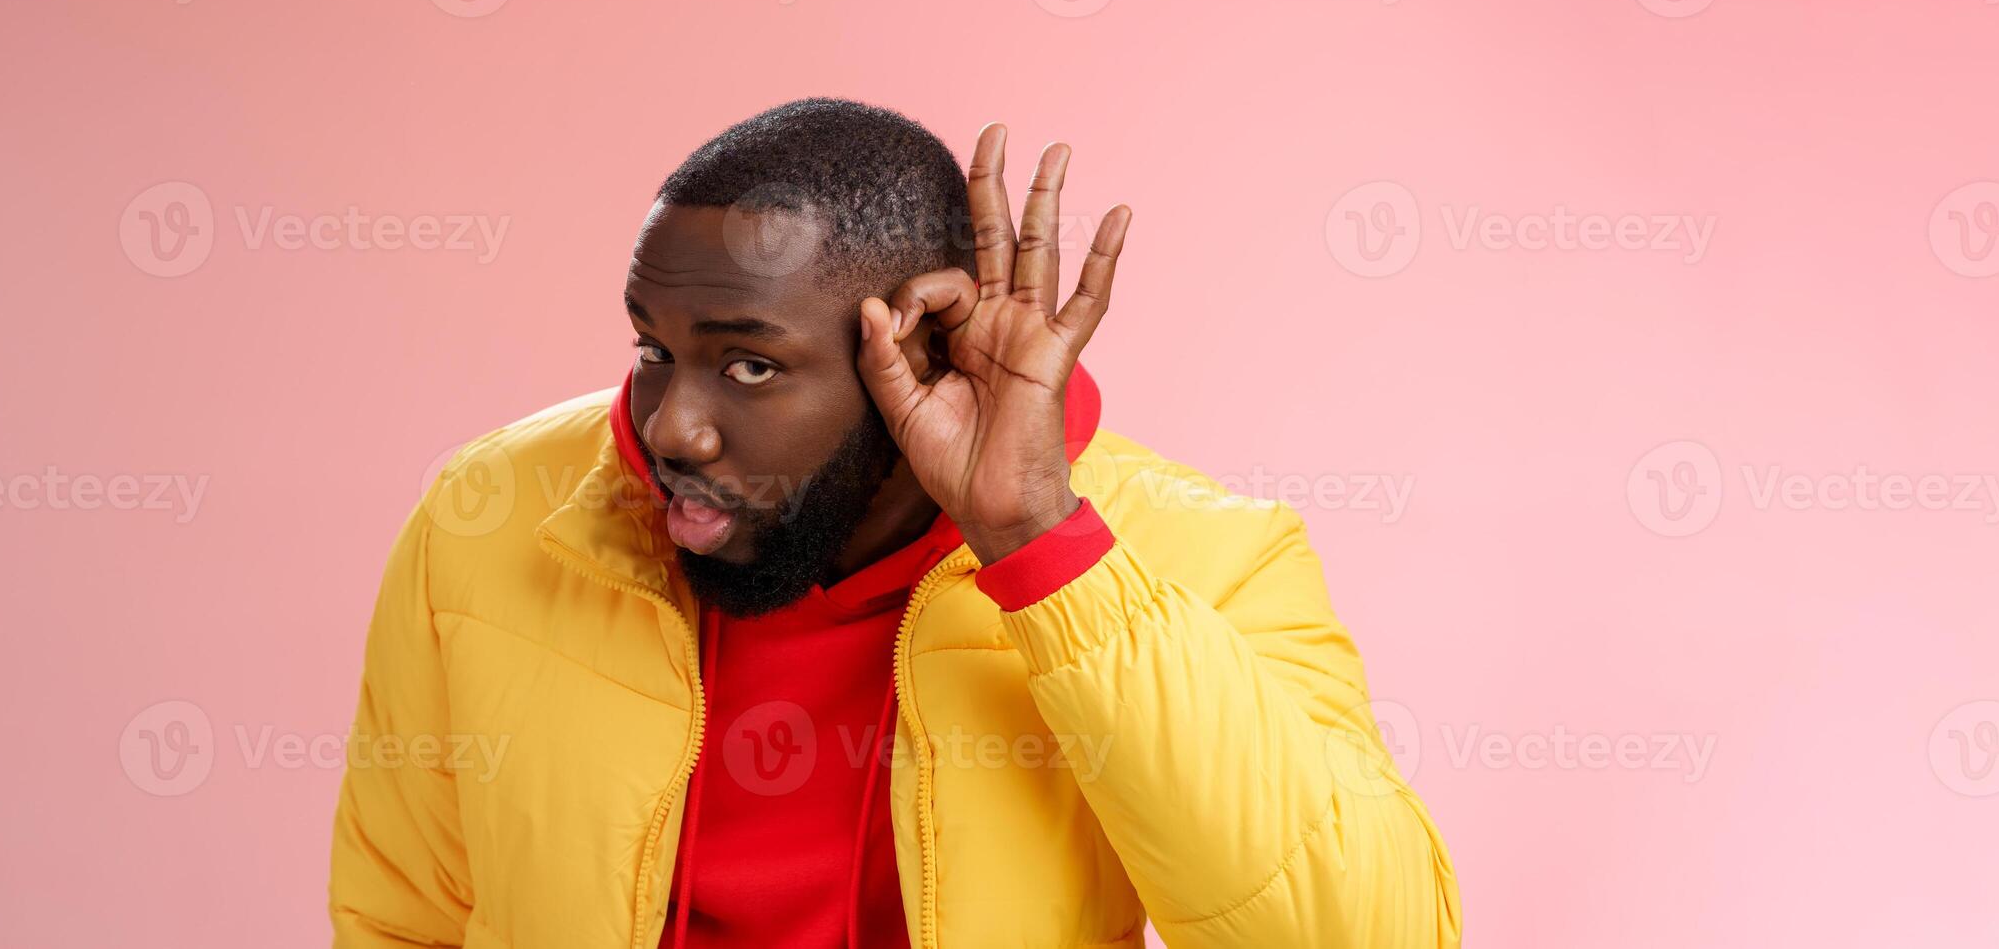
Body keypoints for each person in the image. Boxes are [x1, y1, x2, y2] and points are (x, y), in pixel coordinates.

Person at [331, 98, 1460, 948]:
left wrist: (1040, 547)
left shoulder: (1197, 555)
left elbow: (1369, 931)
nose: (674, 425)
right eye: (651, 349)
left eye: (749, 363)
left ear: (913, 351)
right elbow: (404, 918)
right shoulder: (486, 520)